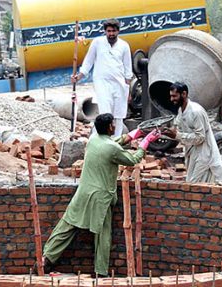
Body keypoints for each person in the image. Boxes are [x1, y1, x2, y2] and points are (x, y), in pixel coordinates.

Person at [42, 113, 160, 277]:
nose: (114, 127)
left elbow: (112, 144)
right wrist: (145, 142)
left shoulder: (93, 140)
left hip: (84, 192)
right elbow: (132, 159)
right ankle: (100, 271)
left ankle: (46, 258)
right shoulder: (112, 148)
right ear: (109, 127)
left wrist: (136, 134)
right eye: (113, 124)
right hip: (101, 198)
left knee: (67, 226)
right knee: (102, 235)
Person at [72, 18, 132, 136]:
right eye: (109, 31)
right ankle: (98, 140)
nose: (111, 34)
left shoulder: (124, 46)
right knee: (105, 114)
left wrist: (128, 90)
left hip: (119, 84)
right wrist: (79, 76)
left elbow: (128, 69)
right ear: (105, 31)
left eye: (113, 31)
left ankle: (116, 142)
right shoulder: (97, 42)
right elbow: (88, 61)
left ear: (118, 31)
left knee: (119, 115)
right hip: (102, 83)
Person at [162, 82, 222, 184]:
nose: (172, 99)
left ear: (184, 94)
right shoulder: (181, 110)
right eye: (171, 96)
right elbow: (177, 126)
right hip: (192, 152)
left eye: (174, 96)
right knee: (192, 183)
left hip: (204, 154)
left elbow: (200, 137)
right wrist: (164, 131)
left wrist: (177, 135)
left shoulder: (196, 112)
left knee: (196, 185)